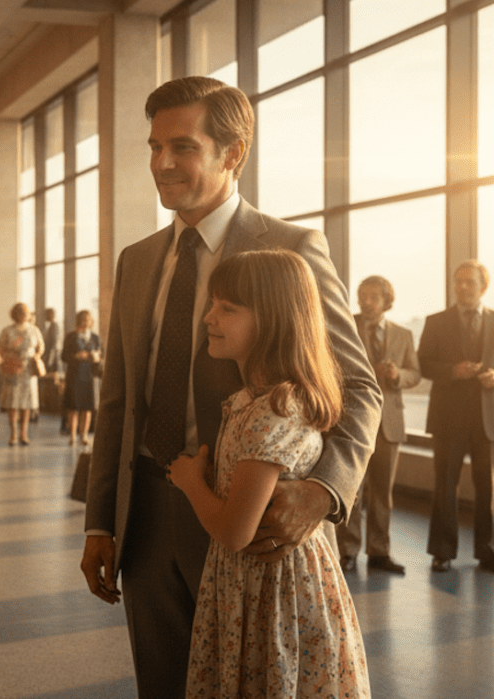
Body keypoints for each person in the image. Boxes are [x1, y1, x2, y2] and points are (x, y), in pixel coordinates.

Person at [80, 76, 381, 698]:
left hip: (250, 519)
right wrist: (100, 521)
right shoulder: (137, 261)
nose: (162, 163)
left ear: (233, 152)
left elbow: (357, 383)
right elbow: (119, 401)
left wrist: (326, 491)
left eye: (183, 146)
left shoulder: (289, 249)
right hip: (146, 516)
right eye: (154, 146)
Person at [169, 249, 369, 697]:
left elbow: (236, 531)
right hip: (253, 586)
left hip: (271, 589)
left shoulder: (273, 412)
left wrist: (190, 482)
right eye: (212, 305)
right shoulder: (251, 402)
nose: (208, 318)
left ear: (273, 320)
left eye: (227, 309)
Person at [337, 276, 420, 574]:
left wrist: (398, 376)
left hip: (389, 423)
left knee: (383, 492)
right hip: (352, 420)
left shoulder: (403, 335)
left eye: (373, 297)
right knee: (352, 491)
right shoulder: (344, 326)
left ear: (387, 300)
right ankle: (347, 551)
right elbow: (332, 366)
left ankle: (379, 552)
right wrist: (370, 371)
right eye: (362, 295)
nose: (366, 302)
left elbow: (415, 374)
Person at [417, 259, 494, 573]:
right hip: (448, 418)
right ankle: (442, 551)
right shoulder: (436, 321)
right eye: (458, 281)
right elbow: (423, 364)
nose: (462, 287)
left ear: (483, 287)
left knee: (486, 488)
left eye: (469, 282)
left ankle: (487, 550)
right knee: (445, 486)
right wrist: (453, 371)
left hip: (487, 418)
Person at [0, 302, 45, 445]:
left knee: (27, 402)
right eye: (20, 313)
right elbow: (1, 348)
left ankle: (24, 434)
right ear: (15, 315)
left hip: (29, 369)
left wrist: (37, 356)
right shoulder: (7, 330)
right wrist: (10, 360)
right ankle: (13, 434)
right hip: (13, 368)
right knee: (13, 402)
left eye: (26, 313)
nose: (24, 315)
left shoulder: (34, 330)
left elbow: (41, 347)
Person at [62, 309, 101, 446]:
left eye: (88, 320)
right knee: (74, 407)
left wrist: (96, 357)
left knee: (87, 407)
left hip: (89, 375)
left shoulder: (95, 338)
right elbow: (64, 356)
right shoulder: (71, 336)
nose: (85, 323)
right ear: (79, 321)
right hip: (74, 374)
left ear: (91, 322)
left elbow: (99, 355)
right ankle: (72, 436)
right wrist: (76, 356)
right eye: (83, 320)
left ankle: (84, 436)